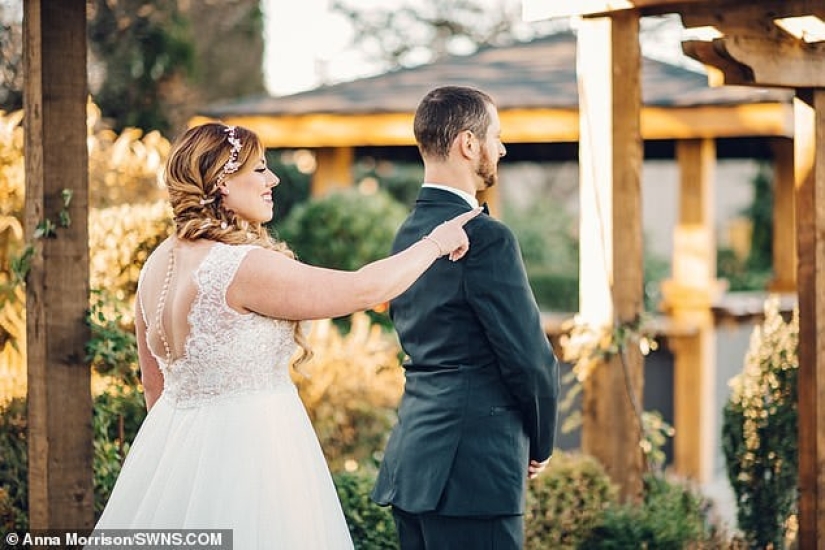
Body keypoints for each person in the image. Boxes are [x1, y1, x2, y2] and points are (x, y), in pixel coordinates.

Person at [90, 122, 480, 549]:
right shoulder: (240, 266)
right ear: (222, 182)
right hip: (253, 456)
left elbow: (154, 385)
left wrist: (182, 466)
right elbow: (363, 289)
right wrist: (436, 242)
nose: (273, 180)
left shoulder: (157, 265)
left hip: (169, 454)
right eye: (260, 169)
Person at [371, 86, 560, 550]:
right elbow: (530, 359)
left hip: (413, 461)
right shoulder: (487, 237)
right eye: (496, 136)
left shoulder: (407, 236)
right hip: (474, 472)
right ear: (468, 144)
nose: (502, 148)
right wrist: (542, 442)